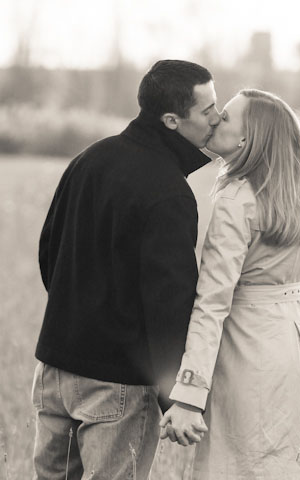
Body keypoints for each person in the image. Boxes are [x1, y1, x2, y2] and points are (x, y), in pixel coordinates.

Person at [32, 59, 221, 479]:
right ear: (171, 120)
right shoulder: (169, 192)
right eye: (207, 110)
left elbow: (49, 252)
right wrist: (179, 399)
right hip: (116, 385)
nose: (217, 118)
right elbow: (169, 305)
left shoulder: (89, 159)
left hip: (54, 372)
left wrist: (78, 316)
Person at [159, 89, 300, 479]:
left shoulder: (237, 200)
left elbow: (212, 303)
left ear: (246, 139)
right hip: (299, 349)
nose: (215, 121)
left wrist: (189, 393)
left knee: (244, 463)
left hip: (249, 351)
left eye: (225, 117)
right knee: (291, 462)